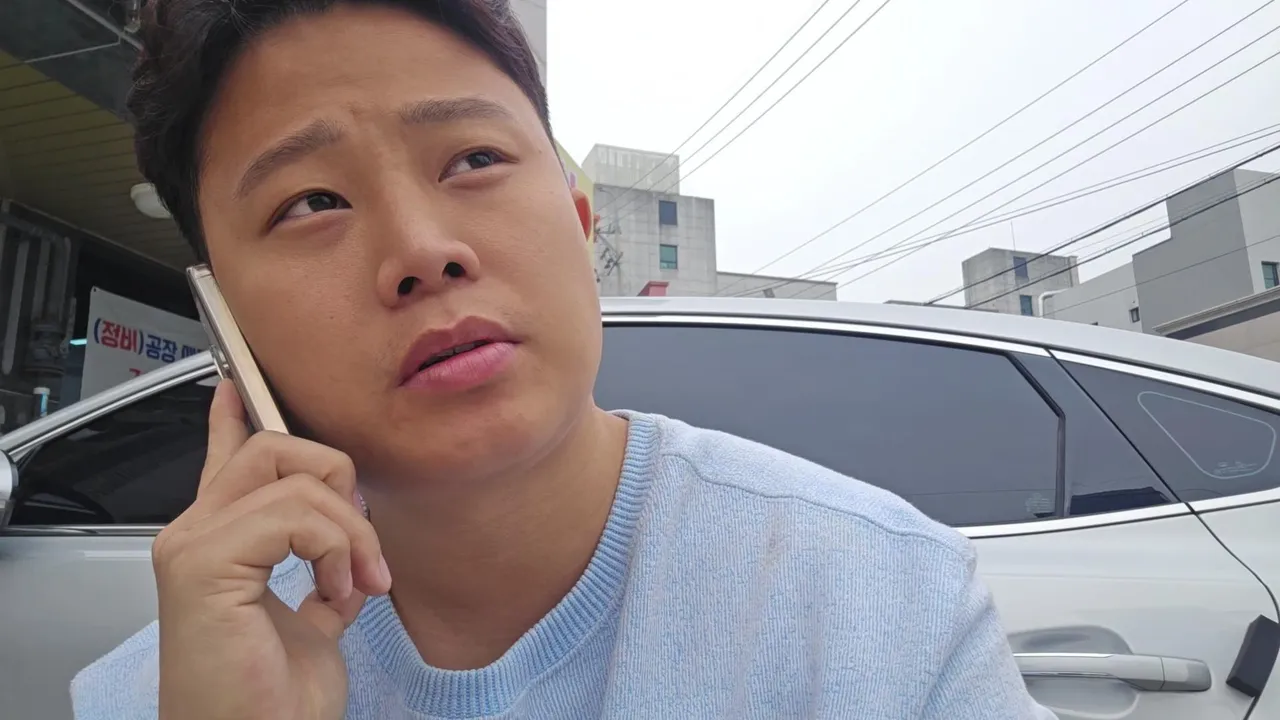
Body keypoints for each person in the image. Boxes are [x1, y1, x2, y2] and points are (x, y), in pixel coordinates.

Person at [71, 1, 1056, 718]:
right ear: (225, 326)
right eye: (310, 204)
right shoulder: (159, 693)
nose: (422, 251)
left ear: (580, 225)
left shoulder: (885, 607)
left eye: (473, 159)